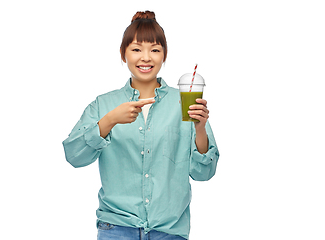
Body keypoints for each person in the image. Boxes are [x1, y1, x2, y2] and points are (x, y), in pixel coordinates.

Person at [62, 10, 219, 240]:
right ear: (123, 54)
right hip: (116, 228)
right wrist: (110, 120)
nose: (146, 58)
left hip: (169, 231)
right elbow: (74, 155)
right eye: (136, 49)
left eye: (155, 50)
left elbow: (204, 172)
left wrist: (200, 128)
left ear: (164, 55)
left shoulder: (184, 103)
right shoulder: (104, 104)